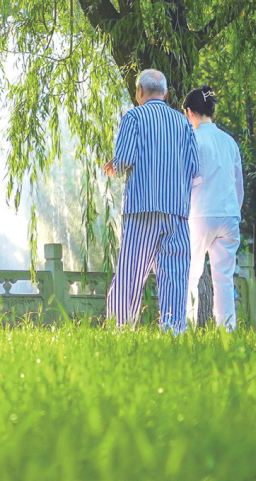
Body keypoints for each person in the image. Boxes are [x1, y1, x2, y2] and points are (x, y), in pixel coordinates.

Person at [102, 69, 199, 334]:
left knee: (130, 275)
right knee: (174, 277)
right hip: (176, 212)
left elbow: (123, 162)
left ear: (139, 91)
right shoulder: (183, 123)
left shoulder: (133, 117)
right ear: (166, 93)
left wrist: (114, 165)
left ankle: (119, 330)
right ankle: (173, 332)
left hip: (141, 209)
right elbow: (194, 167)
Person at [183, 84, 244, 331]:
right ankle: (227, 330)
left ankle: (184, 327)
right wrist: (234, 209)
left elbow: (185, 179)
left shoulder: (193, 139)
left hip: (200, 213)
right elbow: (238, 182)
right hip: (229, 214)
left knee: (189, 275)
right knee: (224, 279)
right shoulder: (229, 142)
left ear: (189, 112)